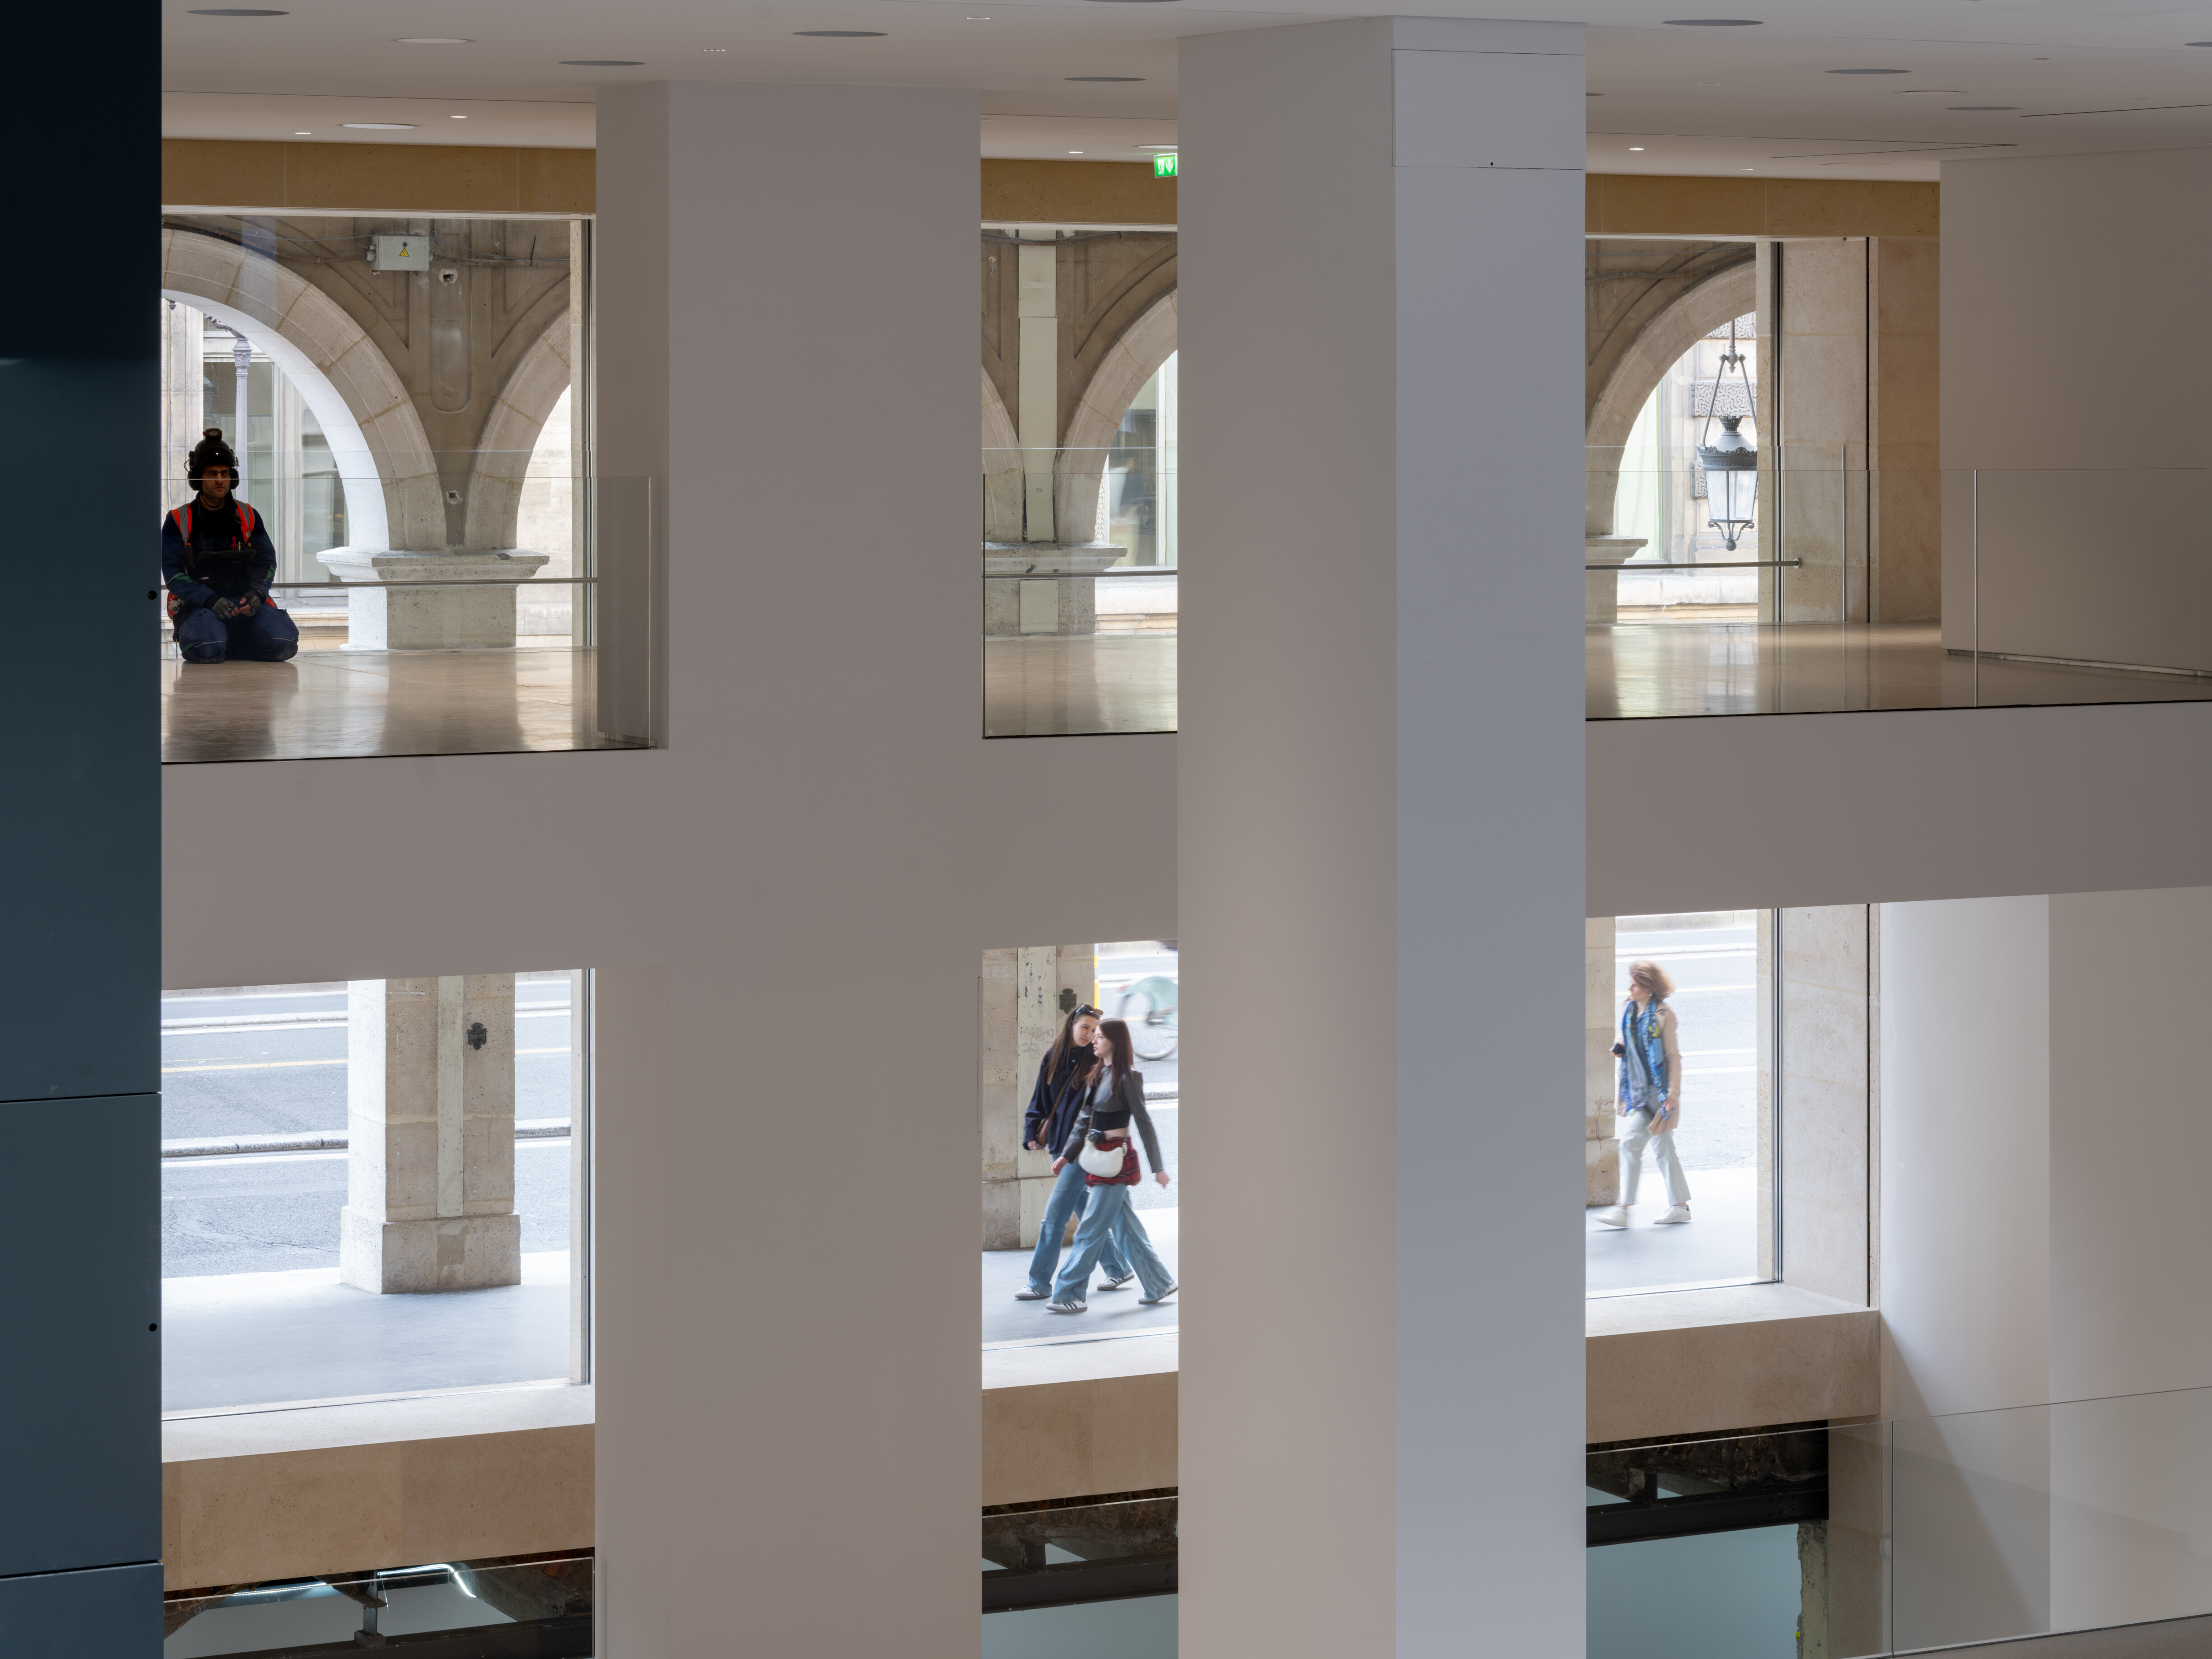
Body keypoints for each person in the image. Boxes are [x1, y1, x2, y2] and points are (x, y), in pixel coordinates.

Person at [1047, 1018, 1176, 1313]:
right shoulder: (1098, 1073)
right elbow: (1084, 1121)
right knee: (1125, 1228)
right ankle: (1159, 1282)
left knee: (1090, 1229)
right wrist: (1067, 1156)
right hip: (1098, 1158)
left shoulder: (1128, 1077)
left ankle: (1069, 1293)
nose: (1094, 1039)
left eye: (1100, 1036)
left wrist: (1158, 1167)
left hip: (1115, 1162)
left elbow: (1144, 1123)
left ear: (1115, 1043)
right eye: (1093, 1035)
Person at [1015, 1003, 1135, 1299]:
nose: (1089, 1035)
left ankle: (1039, 1283)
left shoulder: (1095, 1061)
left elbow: (1098, 1110)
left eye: (1095, 1031)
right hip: (1059, 1147)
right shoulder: (1052, 1058)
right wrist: (1032, 1133)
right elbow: (1038, 1101)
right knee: (1085, 1212)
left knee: (1054, 1218)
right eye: (1085, 1027)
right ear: (1071, 1024)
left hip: (1083, 1149)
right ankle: (1118, 1267)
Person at [162, 428, 299, 666]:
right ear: (198, 479)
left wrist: (258, 593)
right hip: (201, 607)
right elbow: (173, 576)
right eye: (212, 473)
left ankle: (227, 641)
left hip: (245, 605)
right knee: (207, 650)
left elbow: (266, 563)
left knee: (284, 646)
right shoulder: (177, 520)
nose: (220, 480)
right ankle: (217, 642)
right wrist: (210, 599)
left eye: (225, 473)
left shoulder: (248, 515)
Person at [1597, 960, 1690, 1228]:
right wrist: (1621, 1042)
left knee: (1629, 1143)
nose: (1631, 987)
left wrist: (1673, 1094)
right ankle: (1681, 1207)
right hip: (1638, 1089)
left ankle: (1623, 1209)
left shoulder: (1664, 1015)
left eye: (1636, 984)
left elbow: (1673, 1056)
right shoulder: (1630, 1010)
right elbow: (1627, 1033)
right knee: (1665, 1149)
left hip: (1657, 1092)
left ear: (1649, 989)